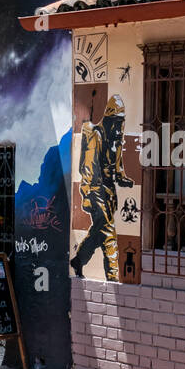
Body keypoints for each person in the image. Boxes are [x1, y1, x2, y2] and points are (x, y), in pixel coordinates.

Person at [71, 93, 134, 281]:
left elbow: (117, 163)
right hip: (95, 189)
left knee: (98, 232)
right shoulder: (96, 135)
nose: (118, 126)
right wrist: (89, 195)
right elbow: (89, 168)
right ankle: (114, 277)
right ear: (107, 119)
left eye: (120, 121)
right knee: (108, 233)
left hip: (108, 191)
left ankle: (79, 260)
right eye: (115, 120)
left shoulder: (115, 139)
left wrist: (122, 178)